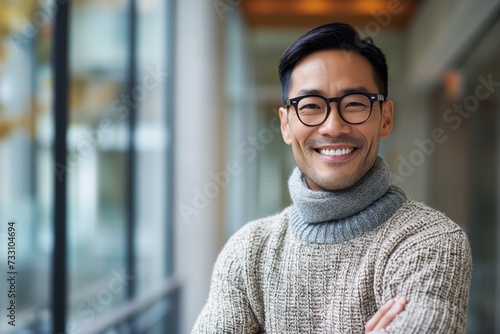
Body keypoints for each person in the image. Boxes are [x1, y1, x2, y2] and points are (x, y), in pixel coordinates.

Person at [192, 22, 472, 333]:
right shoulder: (249, 251)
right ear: (286, 125)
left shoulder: (430, 242)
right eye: (311, 106)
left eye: (354, 104)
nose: (333, 127)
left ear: (386, 118)